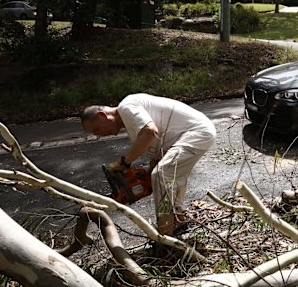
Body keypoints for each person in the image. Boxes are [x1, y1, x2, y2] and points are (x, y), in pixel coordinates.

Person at [80, 93, 216, 236]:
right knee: (166, 176)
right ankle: (179, 220)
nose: (100, 134)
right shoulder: (131, 125)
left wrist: (126, 162)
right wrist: (148, 175)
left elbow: (150, 131)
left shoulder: (127, 106)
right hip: (191, 135)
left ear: (102, 115)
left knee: (162, 174)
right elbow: (158, 146)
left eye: (97, 129)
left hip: (196, 132)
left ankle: (166, 232)